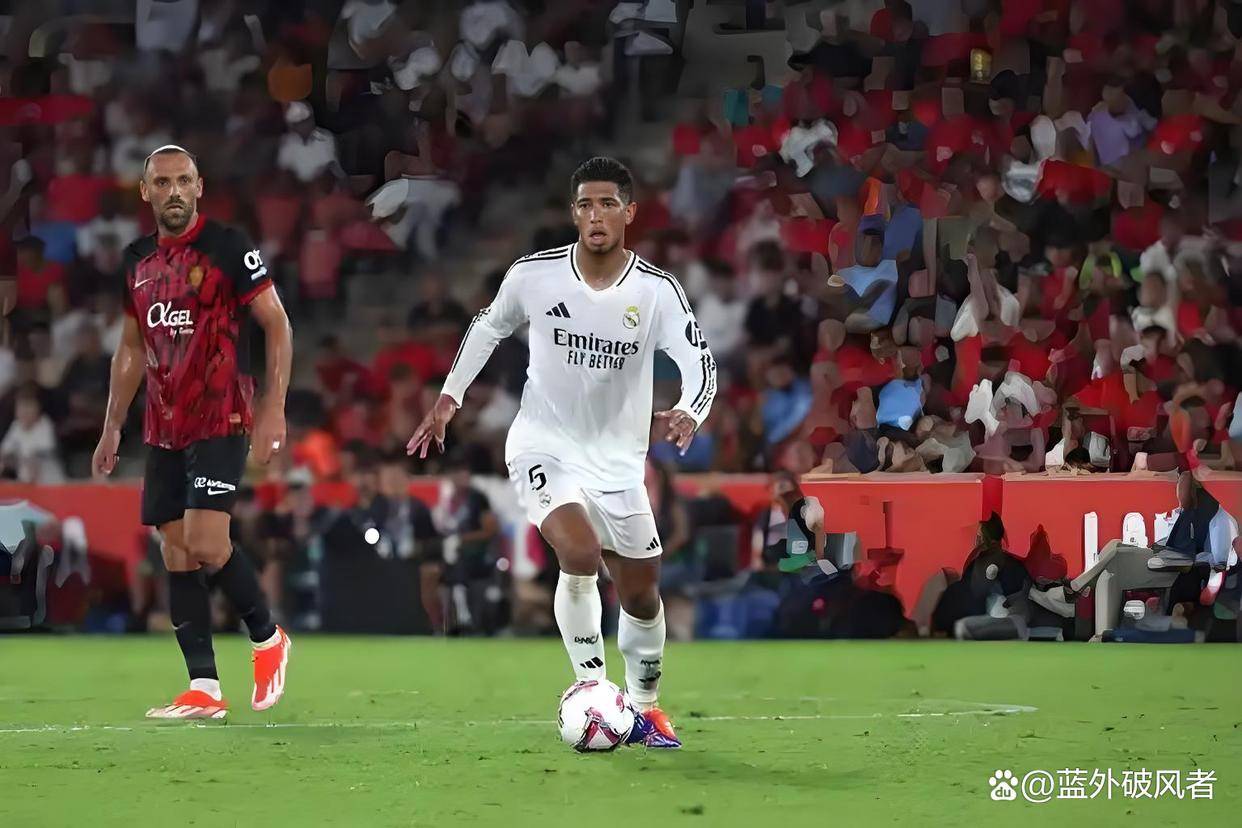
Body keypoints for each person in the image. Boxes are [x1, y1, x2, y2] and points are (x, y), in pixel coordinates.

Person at [407, 157, 718, 748]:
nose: (595, 215)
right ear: (573, 213)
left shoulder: (656, 291)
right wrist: (449, 398)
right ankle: (592, 688)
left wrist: (689, 411)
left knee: (641, 595)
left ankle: (645, 708)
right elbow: (487, 327)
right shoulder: (535, 275)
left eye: (607, 204)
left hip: (619, 462)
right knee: (578, 551)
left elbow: (698, 360)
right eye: (585, 205)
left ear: (629, 212)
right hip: (543, 444)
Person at [91, 145, 293, 720]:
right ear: (145, 191)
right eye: (162, 182)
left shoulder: (229, 247)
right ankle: (204, 687)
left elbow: (277, 324)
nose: (174, 191)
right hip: (163, 424)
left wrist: (273, 408)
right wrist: (112, 425)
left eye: (183, 180)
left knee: (205, 541)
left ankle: (268, 638)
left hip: (221, 413)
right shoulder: (135, 260)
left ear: (200, 186)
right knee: (175, 548)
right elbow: (131, 349)